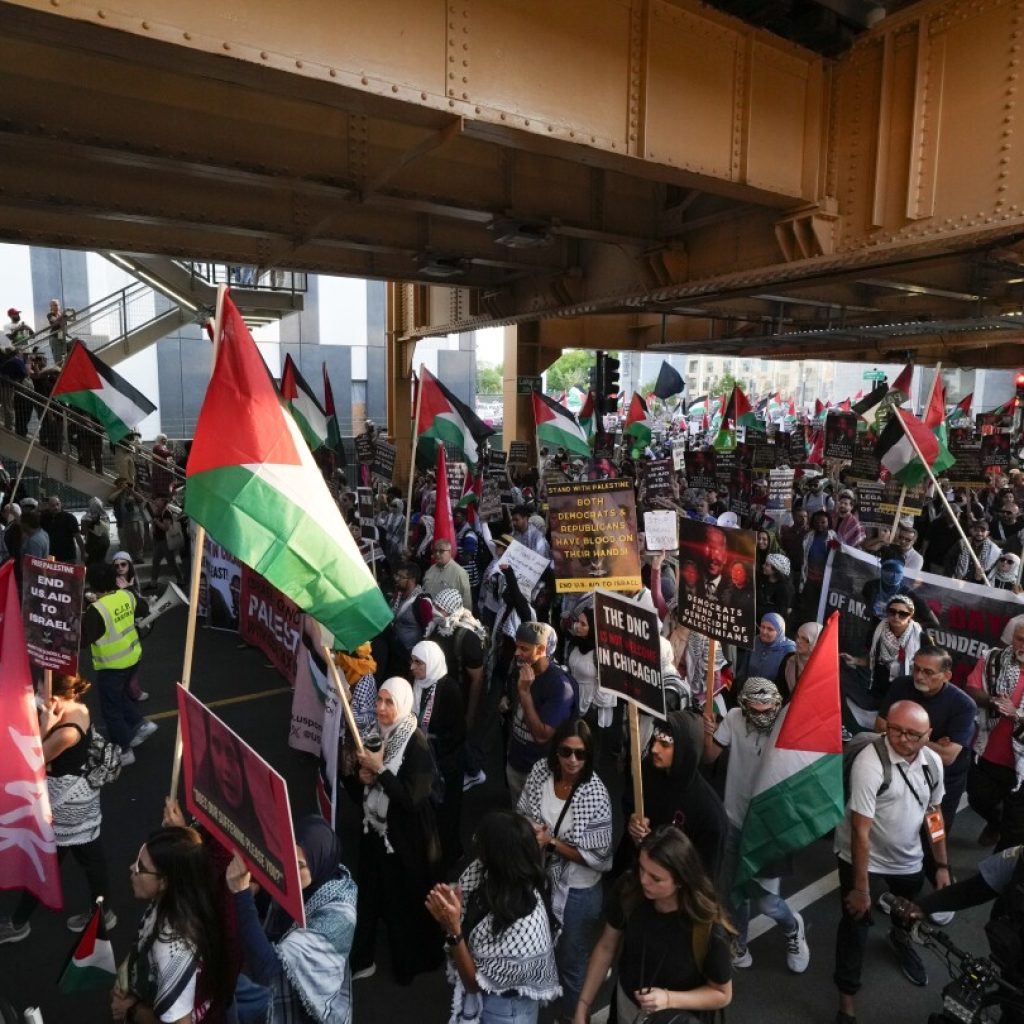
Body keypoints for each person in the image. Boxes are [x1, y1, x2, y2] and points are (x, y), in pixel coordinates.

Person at [833, 701, 949, 1023]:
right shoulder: (871, 764)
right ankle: (846, 1004)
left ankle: (900, 938)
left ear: (929, 735)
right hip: (860, 858)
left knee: (908, 908)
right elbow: (860, 830)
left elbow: (934, 814)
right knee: (855, 925)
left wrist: (941, 867)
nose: (902, 739)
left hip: (908, 860)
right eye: (895, 729)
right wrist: (861, 888)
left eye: (913, 734)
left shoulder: (932, 764)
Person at [703, 677, 810, 973]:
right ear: (744, 707)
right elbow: (710, 755)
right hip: (734, 819)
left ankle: (792, 926)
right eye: (756, 710)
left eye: (769, 709)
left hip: (767, 828)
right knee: (731, 890)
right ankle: (739, 941)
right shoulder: (735, 720)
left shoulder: (787, 727)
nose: (763, 716)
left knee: (767, 903)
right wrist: (708, 733)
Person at [573, 826, 733, 1024]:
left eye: (656, 878)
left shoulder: (707, 927)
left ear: (681, 880)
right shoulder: (629, 891)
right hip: (626, 1009)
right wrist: (583, 1005)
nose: (643, 881)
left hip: (674, 1017)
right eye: (641, 868)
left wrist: (668, 999)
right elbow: (606, 946)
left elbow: (722, 993)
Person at [0, 672, 116, 944]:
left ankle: (20, 922)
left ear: (53, 693)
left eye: (39, 686)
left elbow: (32, 758)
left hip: (68, 804)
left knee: (54, 855)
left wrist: (44, 724)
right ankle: (100, 910)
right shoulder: (78, 706)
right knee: (77, 856)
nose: (35, 691)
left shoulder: (65, 730)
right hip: (74, 799)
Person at [348, 677, 444, 984]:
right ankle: (362, 959)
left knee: (403, 903)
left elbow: (410, 798)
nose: (380, 708)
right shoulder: (377, 735)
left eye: (389, 702)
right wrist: (362, 776)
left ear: (402, 705)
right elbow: (364, 786)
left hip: (406, 841)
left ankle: (408, 964)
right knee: (369, 895)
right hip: (376, 833)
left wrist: (378, 770)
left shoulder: (416, 744)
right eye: (379, 700)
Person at [425, 810, 560, 1024]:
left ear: (497, 856)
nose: (476, 845)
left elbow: (473, 983)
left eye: (481, 842)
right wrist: (452, 913)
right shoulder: (485, 873)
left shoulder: (525, 918)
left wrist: (452, 928)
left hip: (507, 1011)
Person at [517, 719, 613, 1016]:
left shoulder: (596, 795)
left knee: (571, 964)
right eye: (566, 751)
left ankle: (574, 1015)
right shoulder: (539, 774)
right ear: (555, 751)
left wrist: (552, 843)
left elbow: (599, 856)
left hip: (578, 892)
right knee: (541, 947)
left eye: (580, 754)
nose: (572, 760)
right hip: (541, 878)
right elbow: (522, 812)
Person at [228, 816, 358, 1024]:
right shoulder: (314, 879)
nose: (289, 871)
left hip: (314, 1009)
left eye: (299, 866)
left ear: (319, 864)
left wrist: (241, 893)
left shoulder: (337, 919)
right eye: (287, 859)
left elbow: (267, 968)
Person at [619, 711, 727, 879]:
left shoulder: (709, 814)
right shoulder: (646, 773)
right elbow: (629, 803)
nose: (654, 749)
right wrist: (633, 820)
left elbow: (704, 877)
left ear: (686, 749)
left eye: (665, 744)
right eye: (655, 741)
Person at [82, 562, 155, 765]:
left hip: (112, 665)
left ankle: (124, 750)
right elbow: (144, 608)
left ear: (93, 585)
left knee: (110, 709)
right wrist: (127, 589)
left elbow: (83, 639)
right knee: (119, 696)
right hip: (132, 659)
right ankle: (140, 725)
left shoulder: (96, 609)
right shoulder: (126, 595)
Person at [965, 613, 1024, 850]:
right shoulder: (992, 659)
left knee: (1015, 828)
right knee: (978, 798)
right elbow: (971, 689)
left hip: (1021, 767)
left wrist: (1017, 714)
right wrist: (993, 701)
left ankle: (998, 881)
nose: (1023, 646)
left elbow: (1015, 712)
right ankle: (995, 823)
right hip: (989, 752)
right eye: (1020, 639)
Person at [410, 640, 467, 871]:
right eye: (412, 661)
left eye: (418, 663)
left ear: (431, 664)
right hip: (424, 762)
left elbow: (458, 733)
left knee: (446, 814)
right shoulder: (417, 685)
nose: (412, 667)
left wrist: (431, 742)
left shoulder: (449, 689)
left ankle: (448, 857)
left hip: (446, 766)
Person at [506, 621, 576, 804]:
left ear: (541, 649)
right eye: (516, 647)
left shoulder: (560, 686)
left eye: (524, 648)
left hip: (542, 772)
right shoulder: (520, 669)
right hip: (516, 762)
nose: (517, 653)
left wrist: (524, 693)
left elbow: (542, 736)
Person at [386, 561, 434, 675]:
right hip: (394, 653)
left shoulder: (422, 603)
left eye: (401, 577)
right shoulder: (397, 596)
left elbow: (429, 633)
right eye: (397, 576)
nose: (397, 579)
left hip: (409, 658)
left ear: (412, 580)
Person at [944, 516, 1001, 583]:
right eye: (976, 530)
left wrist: (982, 577)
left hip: (977, 585)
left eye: (983, 531)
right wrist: (952, 576)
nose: (979, 533)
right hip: (958, 581)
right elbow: (948, 558)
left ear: (988, 533)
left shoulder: (994, 550)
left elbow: (994, 569)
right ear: (971, 531)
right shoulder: (962, 543)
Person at [777, 621, 823, 700]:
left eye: (805, 639)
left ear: (816, 642)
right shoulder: (789, 660)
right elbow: (779, 690)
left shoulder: (824, 668)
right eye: (797, 636)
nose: (798, 641)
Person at [744, 612, 796, 683]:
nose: (764, 632)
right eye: (762, 627)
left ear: (779, 631)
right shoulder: (756, 641)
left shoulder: (789, 650)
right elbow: (744, 670)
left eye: (770, 629)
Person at [422, 539, 472, 609]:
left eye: (441, 551)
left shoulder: (460, 573)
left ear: (450, 552)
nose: (437, 554)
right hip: (427, 613)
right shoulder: (431, 569)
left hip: (447, 617)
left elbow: (466, 602)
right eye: (435, 551)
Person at [40, 495, 82, 563]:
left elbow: (78, 537)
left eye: (57, 504)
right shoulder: (44, 518)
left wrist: (83, 552)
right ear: (48, 506)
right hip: (51, 556)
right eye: (52, 505)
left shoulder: (69, 518)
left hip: (68, 557)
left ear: (60, 504)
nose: (56, 507)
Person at [759, 552, 795, 622]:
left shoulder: (784, 588)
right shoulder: (764, 579)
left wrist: (757, 609)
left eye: (767, 565)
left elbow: (781, 611)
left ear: (775, 569)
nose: (763, 566)